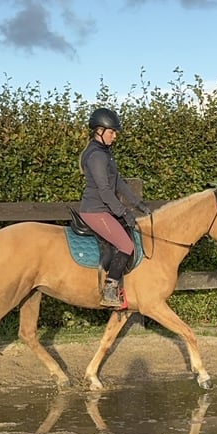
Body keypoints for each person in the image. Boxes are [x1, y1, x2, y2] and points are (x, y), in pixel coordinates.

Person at [78, 108, 151, 307]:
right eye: (112, 132)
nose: (115, 136)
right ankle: (109, 290)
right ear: (99, 131)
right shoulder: (97, 156)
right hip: (95, 211)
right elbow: (105, 191)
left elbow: (118, 184)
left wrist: (138, 204)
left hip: (103, 209)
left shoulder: (105, 153)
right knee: (126, 246)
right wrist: (123, 212)